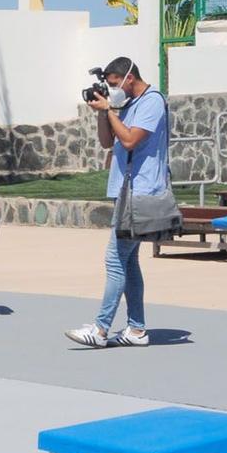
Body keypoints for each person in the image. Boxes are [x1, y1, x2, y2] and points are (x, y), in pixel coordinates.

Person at [65, 57, 174, 349]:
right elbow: (106, 142)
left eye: (113, 84)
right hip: (125, 190)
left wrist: (110, 110)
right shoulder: (125, 105)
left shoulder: (151, 102)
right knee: (129, 261)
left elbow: (129, 141)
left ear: (128, 78)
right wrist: (104, 113)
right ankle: (136, 330)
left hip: (141, 191)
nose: (112, 89)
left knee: (115, 259)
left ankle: (100, 329)